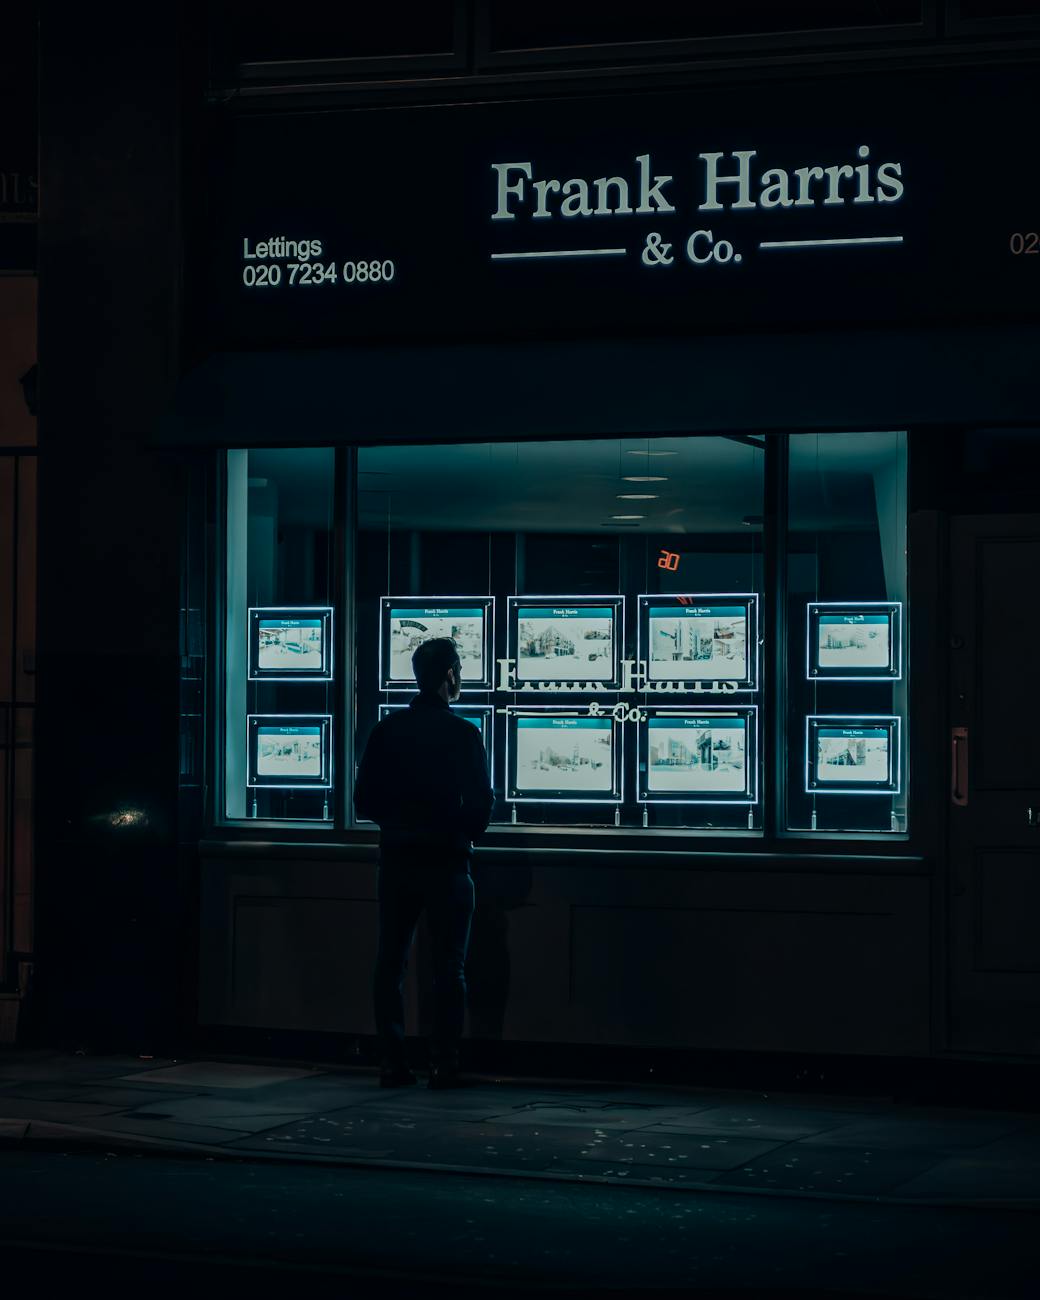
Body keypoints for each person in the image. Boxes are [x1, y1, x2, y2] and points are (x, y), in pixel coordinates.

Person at [354, 637, 494, 1089]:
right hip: (448, 863)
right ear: (450, 675)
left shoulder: (386, 730)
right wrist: (455, 830)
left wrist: (401, 825)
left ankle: (392, 1063)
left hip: (397, 862)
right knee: (449, 968)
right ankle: (444, 1062)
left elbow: (364, 800)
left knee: (389, 963)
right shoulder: (464, 735)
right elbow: (480, 807)